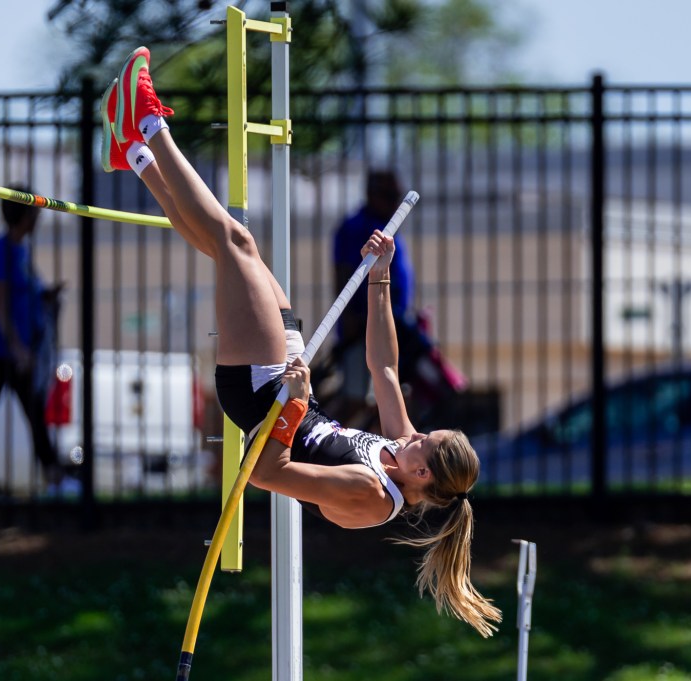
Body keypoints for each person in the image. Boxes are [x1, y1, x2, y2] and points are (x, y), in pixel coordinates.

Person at [100, 47, 501, 637]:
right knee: (230, 248)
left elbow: (267, 473)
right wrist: (381, 278)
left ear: (424, 478)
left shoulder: (371, 492)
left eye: (422, 443)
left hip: (263, 397)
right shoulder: (401, 455)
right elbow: (385, 368)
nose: (413, 435)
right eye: (424, 433)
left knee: (235, 242)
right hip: (287, 385)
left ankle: (149, 122)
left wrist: (294, 405)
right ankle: (133, 153)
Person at [0, 190, 66, 494]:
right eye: (34, 211)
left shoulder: (21, 251)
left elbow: (23, 294)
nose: (38, 217)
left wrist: (46, 296)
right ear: (23, 215)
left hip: (18, 352)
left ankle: (54, 476)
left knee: (34, 413)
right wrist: (18, 348)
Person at [331, 169, 415, 427]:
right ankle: (313, 438)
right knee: (356, 398)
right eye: (388, 196)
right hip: (362, 327)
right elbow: (343, 273)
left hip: (393, 323)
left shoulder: (387, 225)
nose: (394, 203)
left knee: (393, 399)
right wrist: (350, 319)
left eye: (396, 196)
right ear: (371, 194)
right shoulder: (356, 227)